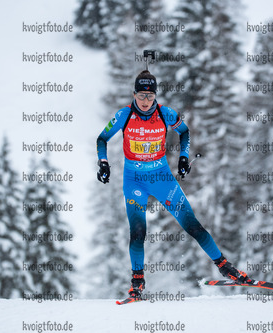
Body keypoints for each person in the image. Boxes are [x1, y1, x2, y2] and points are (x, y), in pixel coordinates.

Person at [96, 70, 253, 300]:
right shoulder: (124, 115)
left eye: (150, 96)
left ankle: (226, 268)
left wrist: (182, 157)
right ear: (134, 94)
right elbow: (102, 139)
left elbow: (185, 132)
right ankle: (137, 282)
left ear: (156, 95)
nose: (146, 101)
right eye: (141, 95)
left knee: (192, 225)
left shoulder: (165, 114)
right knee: (138, 232)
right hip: (134, 181)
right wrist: (103, 162)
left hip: (162, 179)